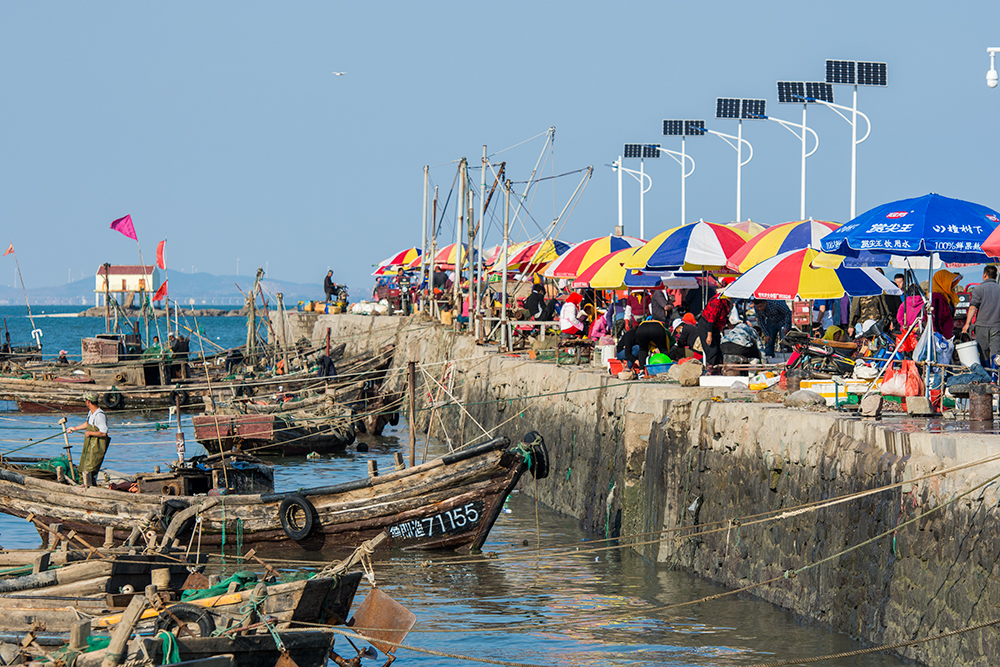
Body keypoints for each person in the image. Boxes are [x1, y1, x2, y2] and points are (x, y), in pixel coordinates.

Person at [67, 392, 111, 484]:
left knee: (90, 469)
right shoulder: (91, 413)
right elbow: (87, 424)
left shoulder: (100, 415)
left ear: (88, 402)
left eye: (85, 400)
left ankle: (89, 487)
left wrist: (90, 432)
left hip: (96, 447)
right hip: (89, 445)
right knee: (83, 467)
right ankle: (84, 486)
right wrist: (74, 428)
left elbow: (104, 433)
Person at [963, 265, 1000, 363]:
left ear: (985, 275)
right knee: (996, 354)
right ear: (995, 276)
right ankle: (995, 376)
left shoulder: (978, 289)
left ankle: (986, 375)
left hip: (981, 326)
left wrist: (967, 324)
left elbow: (973, 307)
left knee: (983, 353)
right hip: (997, 326)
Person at [698, 291, 731, 368]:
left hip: (715, 327)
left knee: (719, 350)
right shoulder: (717, 301)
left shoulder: (726, 301)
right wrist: (709, 336)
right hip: (707, 325)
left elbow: (723, 314)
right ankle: (711, 370)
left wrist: (729, 324)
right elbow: (711, 319)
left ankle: (718, 369)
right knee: (712, 350)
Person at [931, 269, 961, 340]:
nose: (952, 285)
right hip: (941, 339)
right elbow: (935, 320)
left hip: (946, 336)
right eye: (949, 282)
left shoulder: (947, 297)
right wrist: (940, 337)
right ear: (942, 282)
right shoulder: (937, 298)